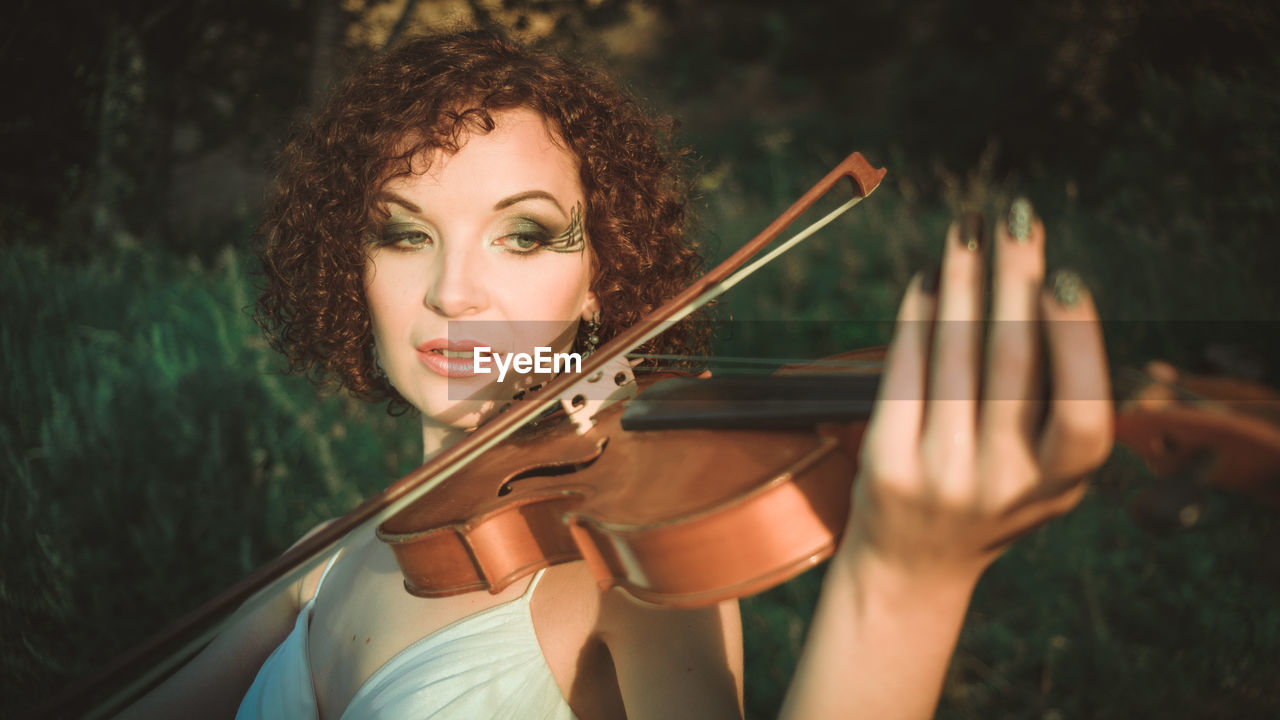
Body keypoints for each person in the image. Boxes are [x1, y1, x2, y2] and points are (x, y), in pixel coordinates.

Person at [118, 29, 1112, 719]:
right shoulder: (318, 558)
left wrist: (901, 584)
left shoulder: (619, 578)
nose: (454, 292)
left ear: (598, 280)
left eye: (523, 234)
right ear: (353, 267)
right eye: (402, 234)